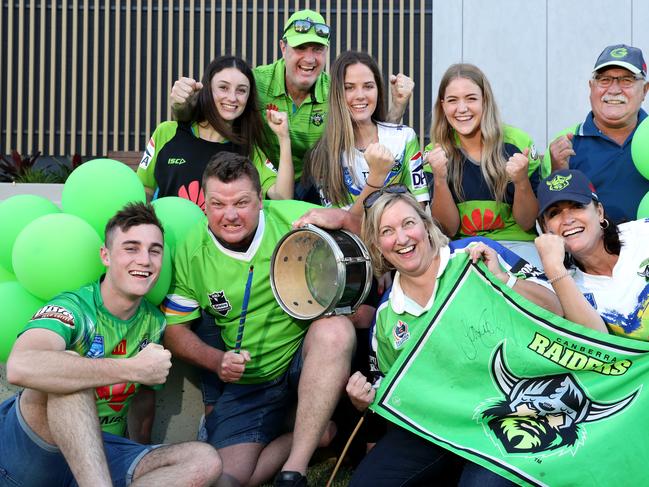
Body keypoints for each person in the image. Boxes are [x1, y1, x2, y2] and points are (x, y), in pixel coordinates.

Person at [297, 185, 562, 486]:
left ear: (425, 225)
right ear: (376, 244)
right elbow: (391, 391)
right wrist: (364, 400)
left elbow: (556, 309)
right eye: (387, 231)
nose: (401, 238)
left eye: (408, 224)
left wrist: (504, 280)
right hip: (437, 428)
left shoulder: (474, 254)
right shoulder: (386, 316)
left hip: (509, 414)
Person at [161, 151, 356, 487]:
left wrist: (345, 218)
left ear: (261, 200)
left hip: (300, 358)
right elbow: (175, 331)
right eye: (218, 204)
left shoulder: (293, 219)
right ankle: (314, 431)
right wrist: (218, 360)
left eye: (242, 202)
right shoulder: (191, 250)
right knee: (226, 480)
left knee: (336, 329)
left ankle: (294, 470)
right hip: (250, 380)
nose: (230, 215)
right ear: (203, 203)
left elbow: (367, 223)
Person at [1, 202, 222, 487]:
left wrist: (140, 451)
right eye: (131, 248)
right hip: (35, 453)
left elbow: (143, 399)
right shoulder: (74, 307)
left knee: (204, 460)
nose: (145, 260)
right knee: (71, 377)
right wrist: (131, 368)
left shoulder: (153, 322)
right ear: (105, 256)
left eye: (154, 250)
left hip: (99, 455)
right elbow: (20, 366)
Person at [169, 9, 414, 200]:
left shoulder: (336, 92)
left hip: (318, 188)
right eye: (300, 48)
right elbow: (215, 113)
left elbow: (371, 135)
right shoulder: (254, 83)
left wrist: (397, 108)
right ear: (283, 47)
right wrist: (182, 106)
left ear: (326, 52)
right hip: (261, 184)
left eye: (317, 49)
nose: (309, 58)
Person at [424, 63, 542, 267]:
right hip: (465, 250)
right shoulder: (434, 152)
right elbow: (448, 230)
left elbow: (527, 222)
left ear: (485, 101)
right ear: (443, 105)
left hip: (516, 245)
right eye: (453, 100)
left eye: (471, 98)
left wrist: (522, 181)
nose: (462, 109)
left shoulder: (518, 142)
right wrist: (440, 179)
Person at [138, 55, 293, 207]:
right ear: (207, 90)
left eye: (241, 90)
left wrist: (284, 137)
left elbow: (283, 198)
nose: (232, 98)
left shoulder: (249, 151)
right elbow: (144, 190)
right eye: (223, 88)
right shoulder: (167, 132)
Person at [304, 50, 429, 215]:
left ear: (378, 89)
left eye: (368, 86)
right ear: (337, 94)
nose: (360, 96)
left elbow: (419, 209)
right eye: (349, 88)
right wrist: (376, 176)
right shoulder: (322, 156)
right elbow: (343, 223)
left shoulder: (404, 138)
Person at [535, 168, 647, 339]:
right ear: (545, 228)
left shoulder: (643, 233)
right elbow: (599, 343)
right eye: (554, 213)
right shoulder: (562, 283)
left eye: (577, 206)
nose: (567, 219)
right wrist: (555, 268)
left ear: (599, 212)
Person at [545, 44, 649, 223]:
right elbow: (552, 216)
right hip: (592, 248)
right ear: (591, 87)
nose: (614, 90)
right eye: (605, 80)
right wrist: (558, 171)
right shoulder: (566, 143)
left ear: (644, 91)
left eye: (627, 80)